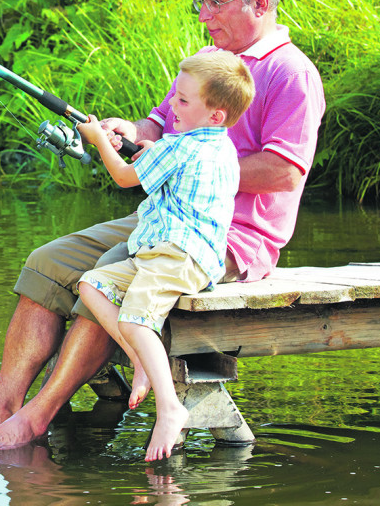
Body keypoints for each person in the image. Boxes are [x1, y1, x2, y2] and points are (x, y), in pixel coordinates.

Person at [0, 0, 326, 453]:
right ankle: (0, 405)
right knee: (46, 262)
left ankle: (35, 418)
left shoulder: (291, 73)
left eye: (216, 3)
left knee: (111, 276)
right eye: (200, 3)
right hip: (162, 219)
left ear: (259, 2)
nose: (204, 15)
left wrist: (183, 163)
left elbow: (285, 171)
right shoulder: (210, 63)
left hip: (228, 238)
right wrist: (127, 132)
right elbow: (159, 124)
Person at [75, 49, 255, 461]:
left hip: (176, 256)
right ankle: (141, 358)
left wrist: (100, 141)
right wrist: (150, 152)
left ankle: (170, 407)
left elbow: (124, 177)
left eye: (184, 100)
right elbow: (172, 174)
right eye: (175, 95)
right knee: (92, 285)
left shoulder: (177, 148)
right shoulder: (222, 148)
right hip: (185, 258)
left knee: (134, 320)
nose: (172, 104)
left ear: (216, 115)